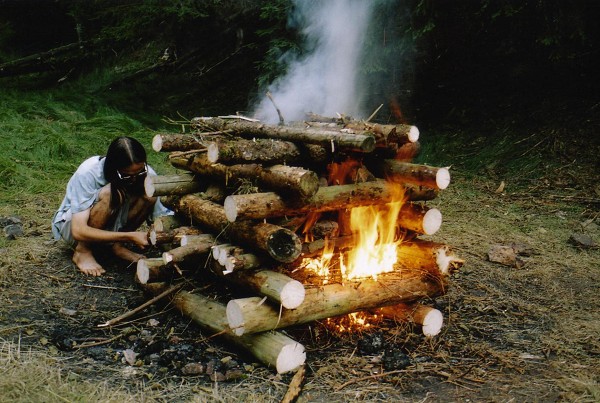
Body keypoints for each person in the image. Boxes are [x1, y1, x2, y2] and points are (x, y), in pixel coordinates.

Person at [52, 136, 173, 276]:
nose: (134, 179)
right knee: (110, 193)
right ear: (112, 168)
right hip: (74, 230)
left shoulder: (146, 174)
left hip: (113, 224)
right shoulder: (89, 172)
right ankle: (82, 251)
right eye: (127, 176)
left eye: (139, 173)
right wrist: (129, 236)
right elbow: (78, 230)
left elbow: (163, 216)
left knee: (150, 192)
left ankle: (117, 246)